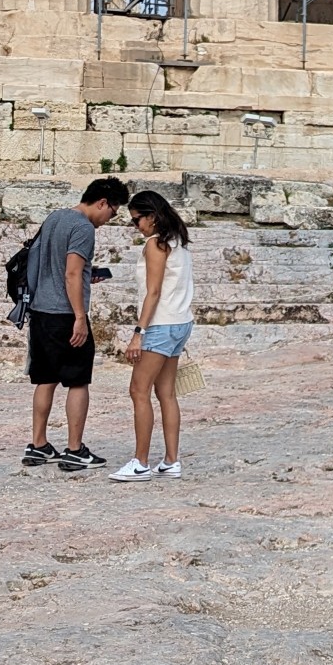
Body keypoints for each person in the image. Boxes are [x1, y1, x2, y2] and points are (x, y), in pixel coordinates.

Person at [21, 176, 129, 471]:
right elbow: (70, 274)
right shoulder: (83, 227)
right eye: (113, 212)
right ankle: (74, 449)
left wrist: (86, 274)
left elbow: (49, 263)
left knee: (45, 379)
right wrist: (80, 317)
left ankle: (38, 445)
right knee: (78, 380)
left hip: (40, 311)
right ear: (102, 203)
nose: (110, 218)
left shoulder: (55, 218)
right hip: (65, 315)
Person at [114, 190, 195, 479]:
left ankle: (140, 462)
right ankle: (171, 460)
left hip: (160, 325)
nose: (136, 225)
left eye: (137, 220)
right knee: (167, 393)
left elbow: (154, 292)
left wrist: (138, 333)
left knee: (138, 390)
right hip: (181, 322)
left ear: (152, 216)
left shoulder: (155, 245)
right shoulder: (179, 242)